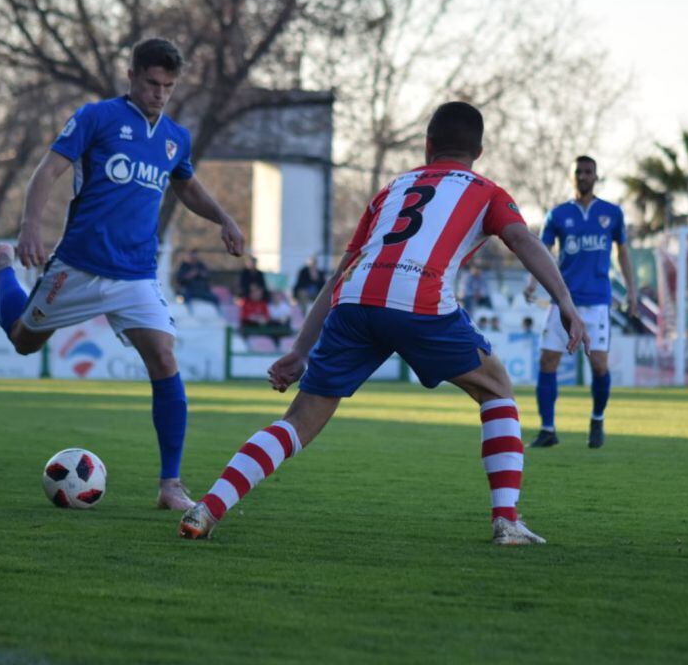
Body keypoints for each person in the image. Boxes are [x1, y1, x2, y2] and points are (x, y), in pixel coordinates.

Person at [179, 101, 587, 545]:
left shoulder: (393, 188)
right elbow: (521, 239)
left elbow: (341, 274)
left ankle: (209, 507)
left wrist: (300, 349)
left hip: (354, 302)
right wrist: (564, 300)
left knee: (299, 420)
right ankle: (506, 521)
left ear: (428, 145)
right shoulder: (486, 190)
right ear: (480, 152)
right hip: (420, 299)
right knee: (497, 389)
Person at [0, 38, 245, 511]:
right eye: (152, 83)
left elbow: (187, 185)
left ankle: (170, 485)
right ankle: (3, 267)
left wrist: (225, 219)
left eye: (168, 87)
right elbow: (47, 171)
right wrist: (30, 227)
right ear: (132, 76)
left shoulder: (175, 136)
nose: (159, 93)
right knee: (22, 340)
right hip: (78, 265)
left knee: (164, 356)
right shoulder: (96, 117)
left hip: (135, 274)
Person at [523, 155, 635, 449]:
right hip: (563, 300)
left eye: (589, 172)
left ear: (596, 177)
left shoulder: (612, 213)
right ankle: (548, 429)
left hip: (597, 301)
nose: (584, 176)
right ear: (571, 177)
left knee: (599, 365)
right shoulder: (558, 215)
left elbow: (622, 252)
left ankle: (597, 419)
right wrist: (533, 281)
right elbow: (542, 249)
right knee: (548, 361)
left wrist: (632, 291)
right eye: (579, 172)